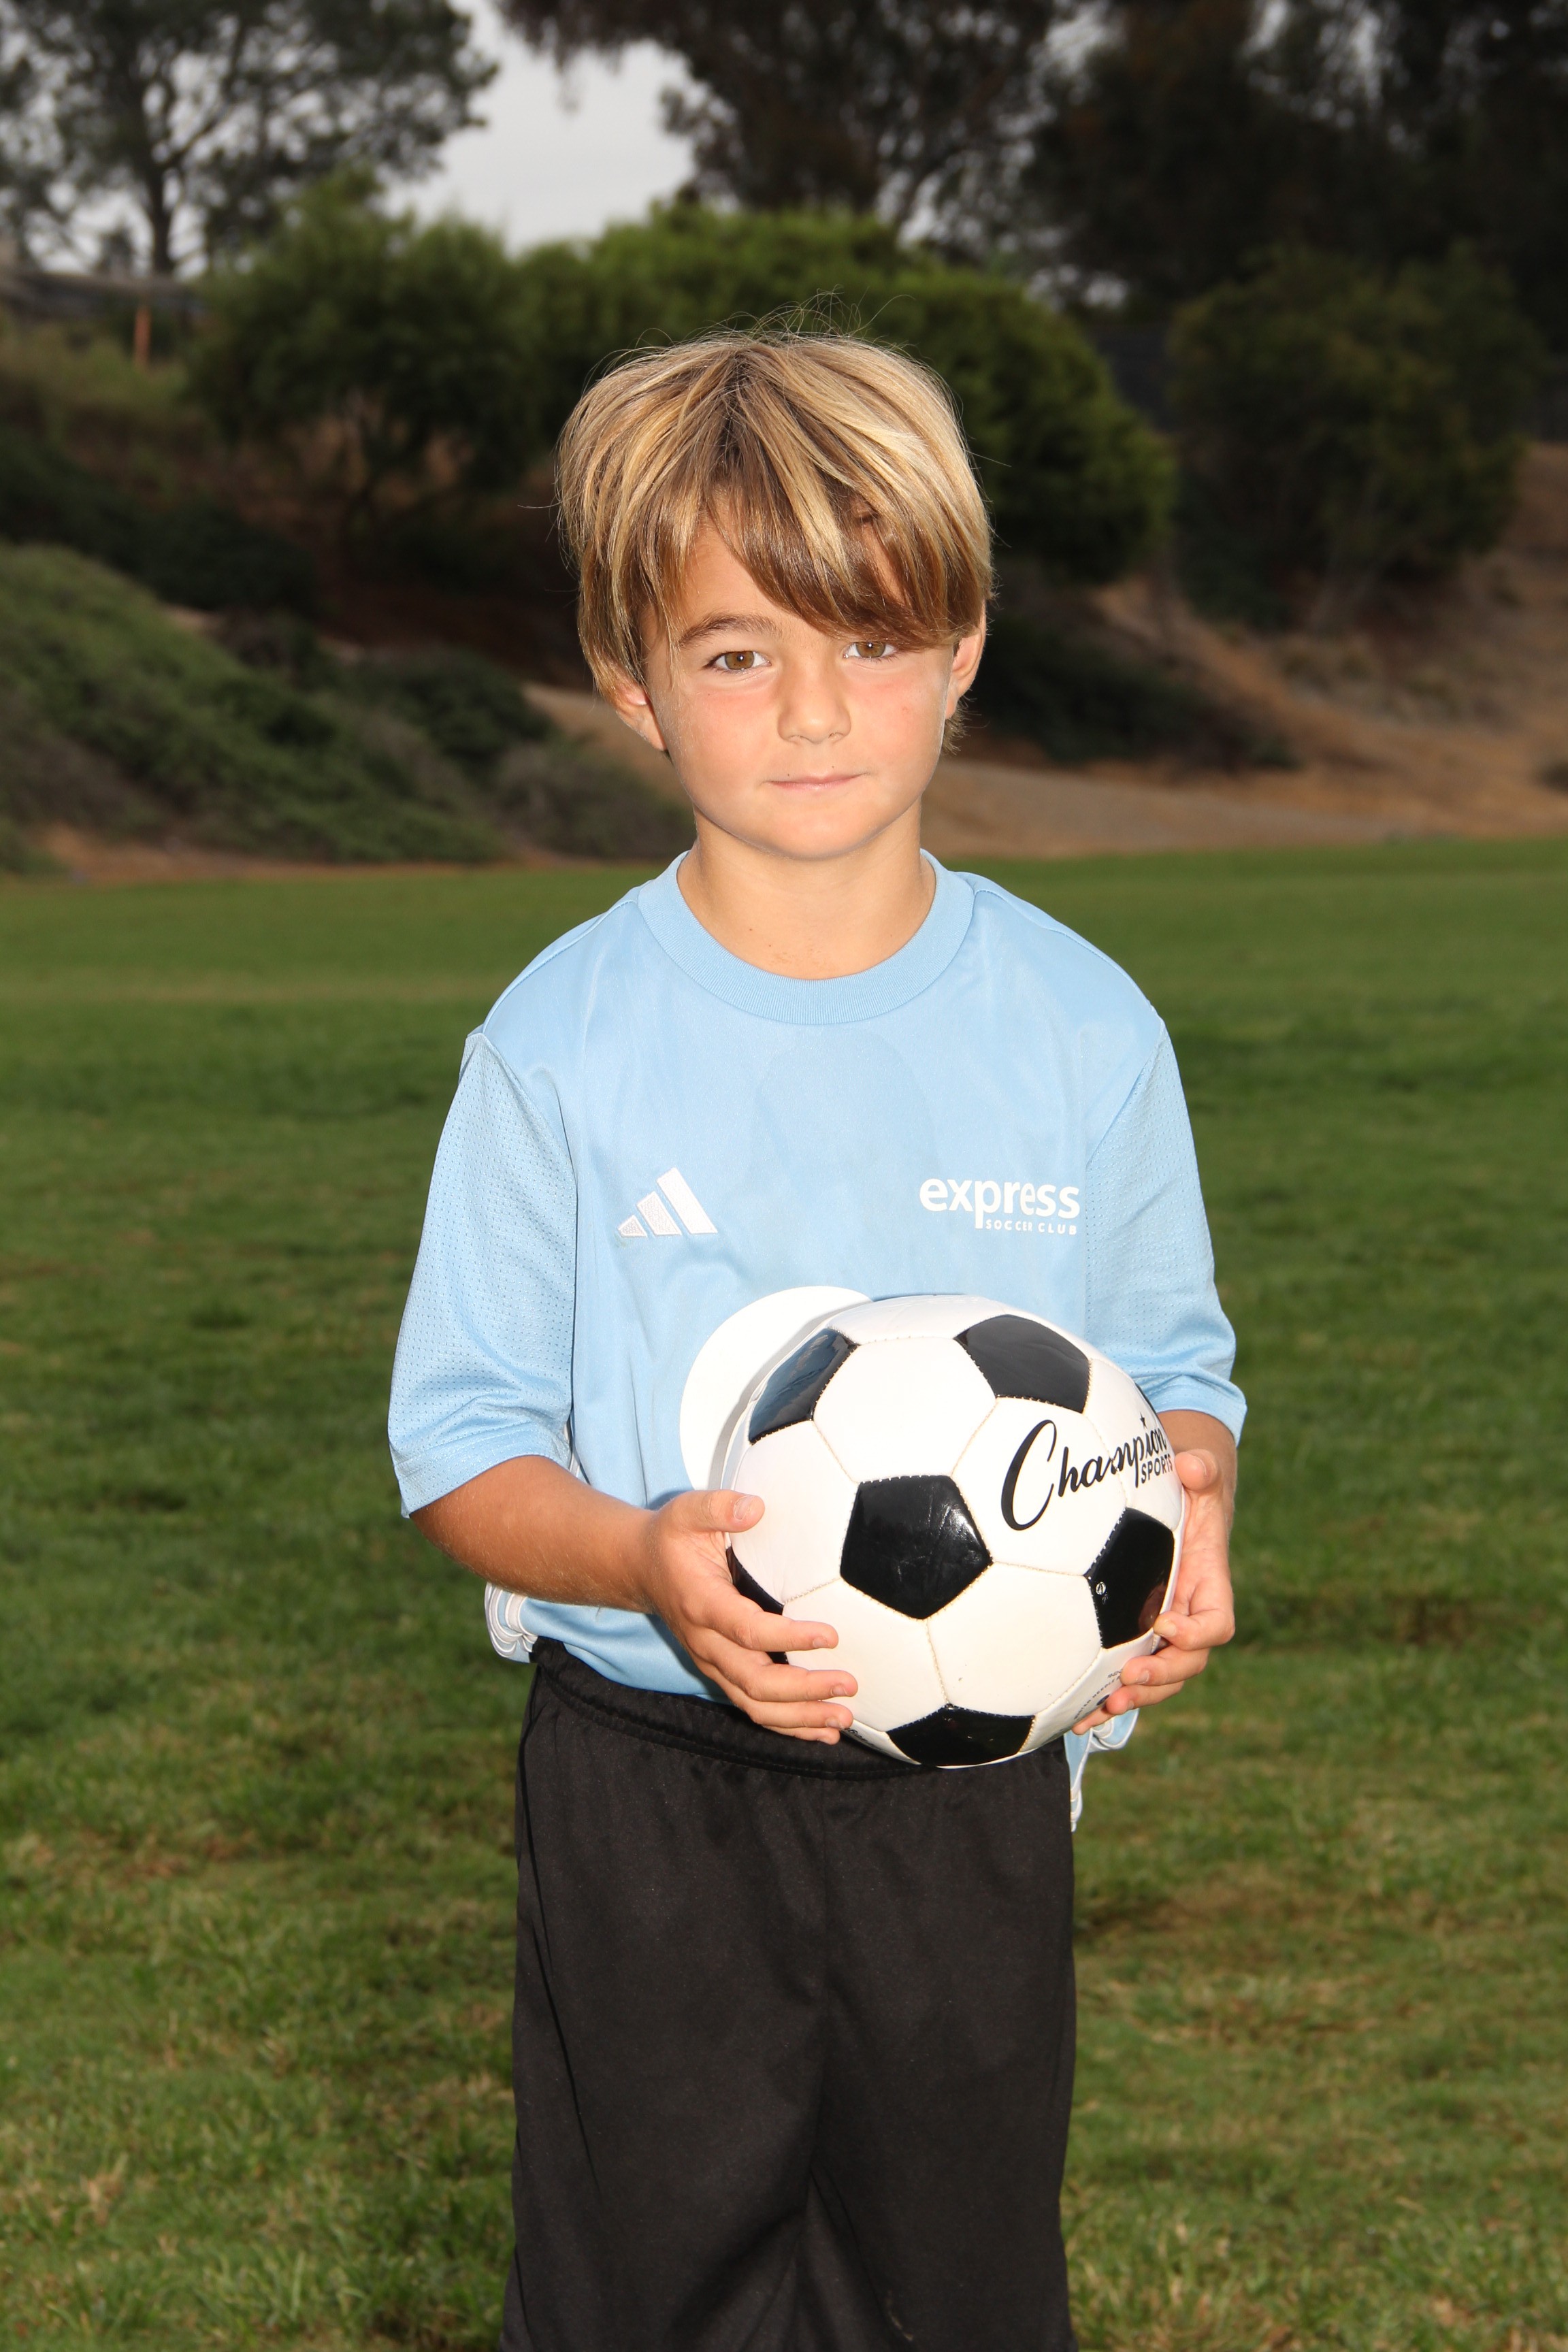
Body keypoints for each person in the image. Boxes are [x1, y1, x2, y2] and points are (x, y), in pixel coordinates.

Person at [387, 329, 1243, 2352]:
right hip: (651, 1778)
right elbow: (461, 1446)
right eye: (737, 650)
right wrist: (639, 1557)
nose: (813, 706)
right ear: (632, 684)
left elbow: (1173, 1375)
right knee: (640, 2292)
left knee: (956, 2291)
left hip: (972, 1795)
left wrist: (1188, 1507)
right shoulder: (563, 1042)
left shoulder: (1084, 1028)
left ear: (962, 650)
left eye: (871, 638)